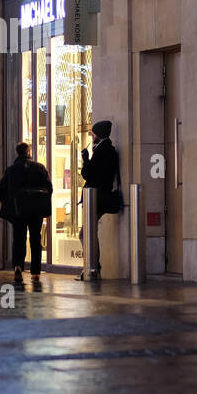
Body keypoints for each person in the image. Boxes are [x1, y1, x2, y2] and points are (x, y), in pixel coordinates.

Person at [0, 142, 52, 286]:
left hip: (18, 210)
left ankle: (18, 266)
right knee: (35, 239)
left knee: (19, 239)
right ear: (28, 151)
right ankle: (36, 272)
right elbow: (49, 188)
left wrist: (9, 202)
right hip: (36, 210)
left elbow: (0, 189)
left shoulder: (11, 170)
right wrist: (41, 201)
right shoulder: (39, 168)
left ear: (17, 152)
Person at [78, 119, 120, 281]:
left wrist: (86, 160)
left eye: (93, 133)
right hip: (101, 195)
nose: (92, 136)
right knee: (88, 233)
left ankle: (93, 267)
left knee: (86, 234)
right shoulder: (108, 150)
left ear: (99, 135)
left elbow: (89, 174)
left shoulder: (103, 151)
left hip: (96, 197)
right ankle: (93, 266)